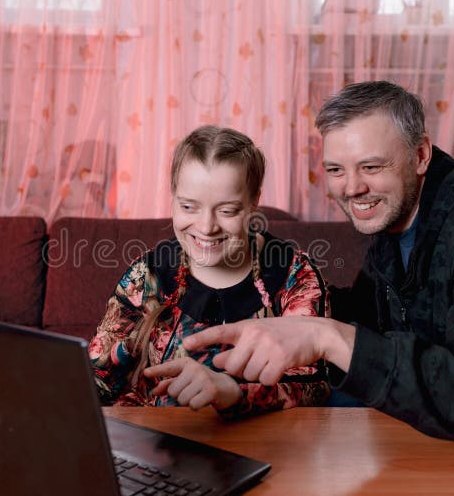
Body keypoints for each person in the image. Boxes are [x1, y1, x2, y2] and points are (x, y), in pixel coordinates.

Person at [182, 81, 454, 448]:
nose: (352, 187)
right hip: (444, 436)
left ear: (420, 154)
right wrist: (268, 273)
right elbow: (366, 315)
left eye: (372, 166)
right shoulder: (395, 218)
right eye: (335, 170)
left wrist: (328, 336)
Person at [88, 125, 330, 416]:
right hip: (159, 442)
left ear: (254, 201)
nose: (206, 227)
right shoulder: (148, 274)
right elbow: (99, 376)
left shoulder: (293, 275)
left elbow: (314, 387)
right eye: (189, 207)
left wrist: (233, 392)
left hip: (265, 446)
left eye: (227, 211)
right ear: (173, 196)